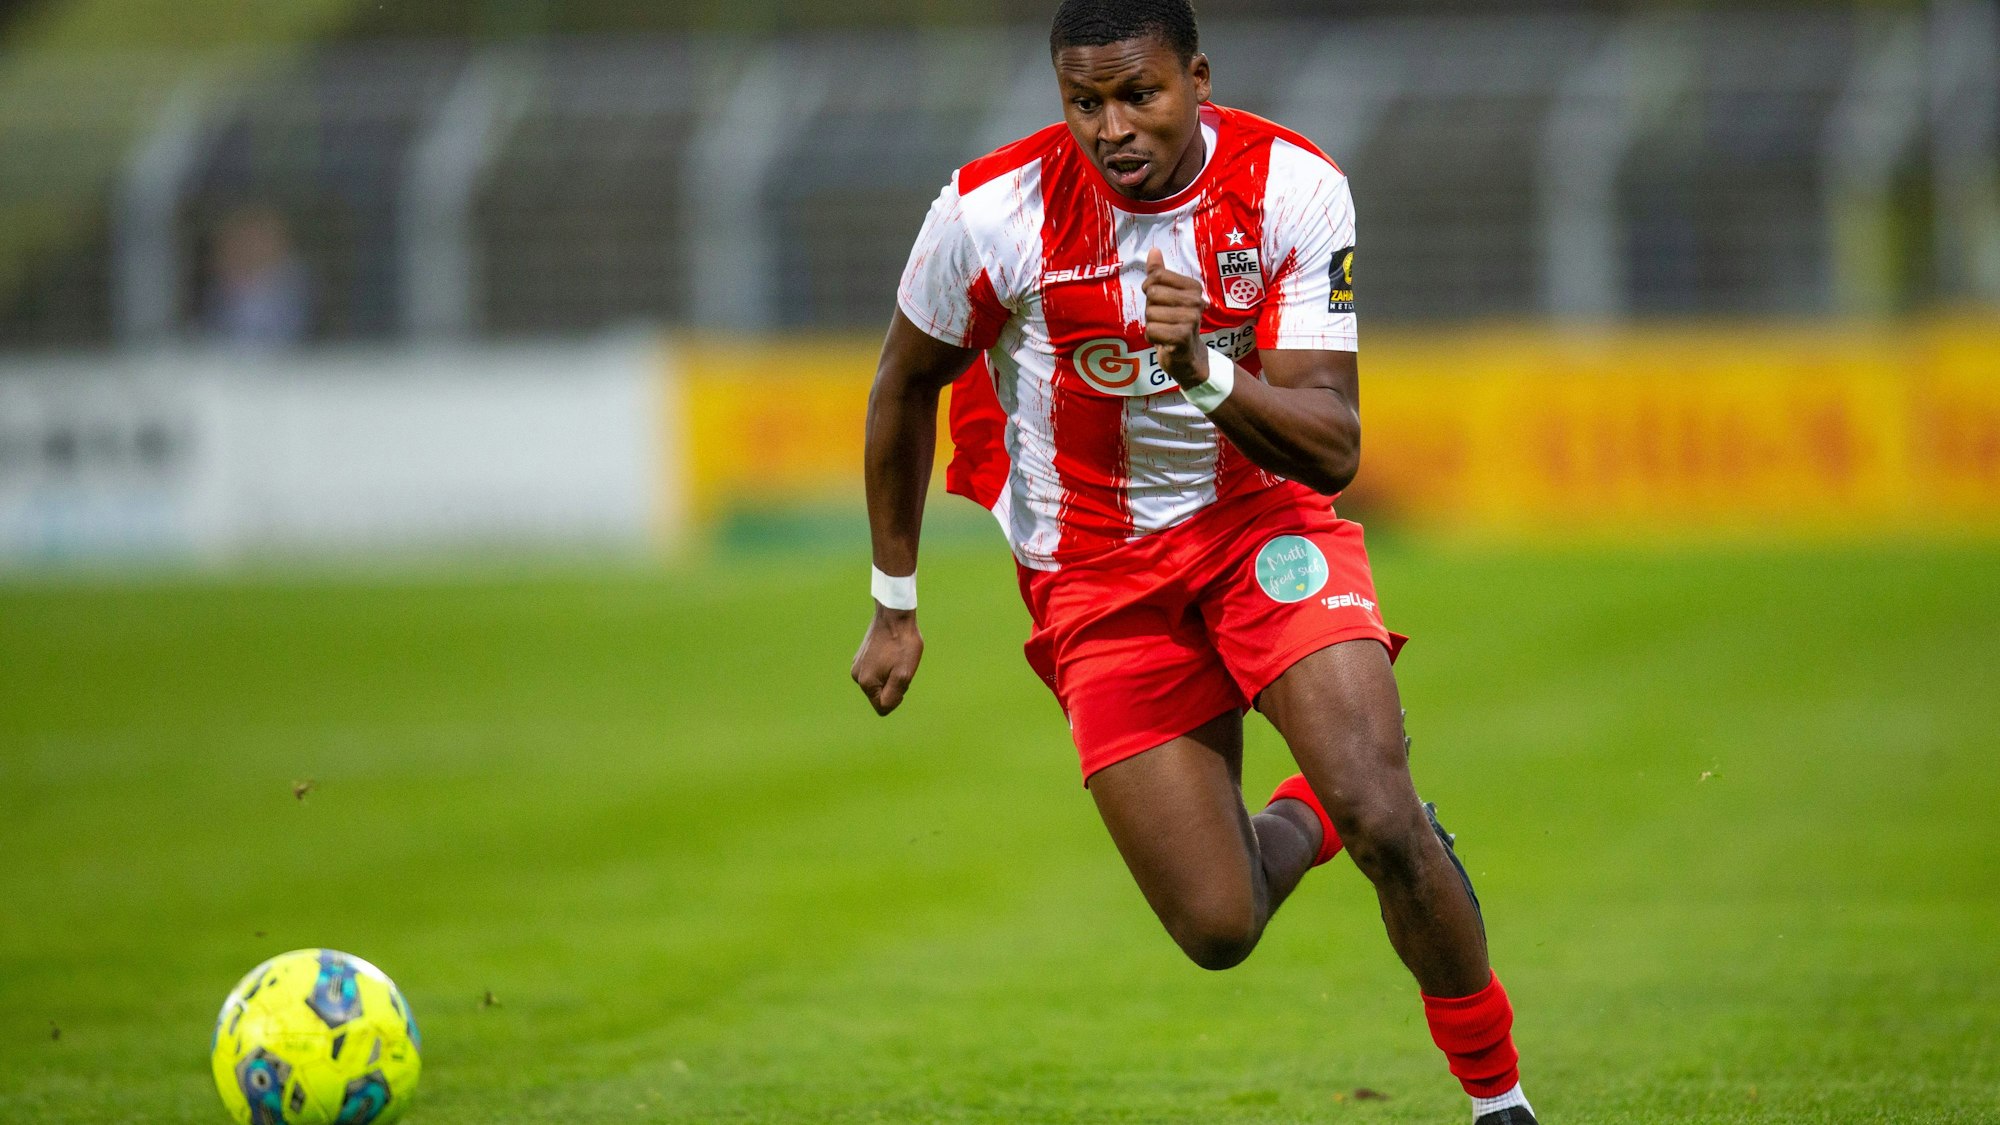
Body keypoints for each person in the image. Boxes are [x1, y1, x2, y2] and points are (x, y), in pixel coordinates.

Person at [851, 3, 1536, 1121]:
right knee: (1218, 927)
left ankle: (1496, 1100)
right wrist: (893, 602)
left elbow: (1332, 445)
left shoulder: (1292, 188)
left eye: (1138, 96)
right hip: (1093, 571)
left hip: (1259, 524)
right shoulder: (988, 213)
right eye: (1084, 104)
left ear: (1196, 79)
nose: (1110, 127)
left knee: (1382, 812)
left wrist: (1203, 370)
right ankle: (1307, 813)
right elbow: (900, 386)